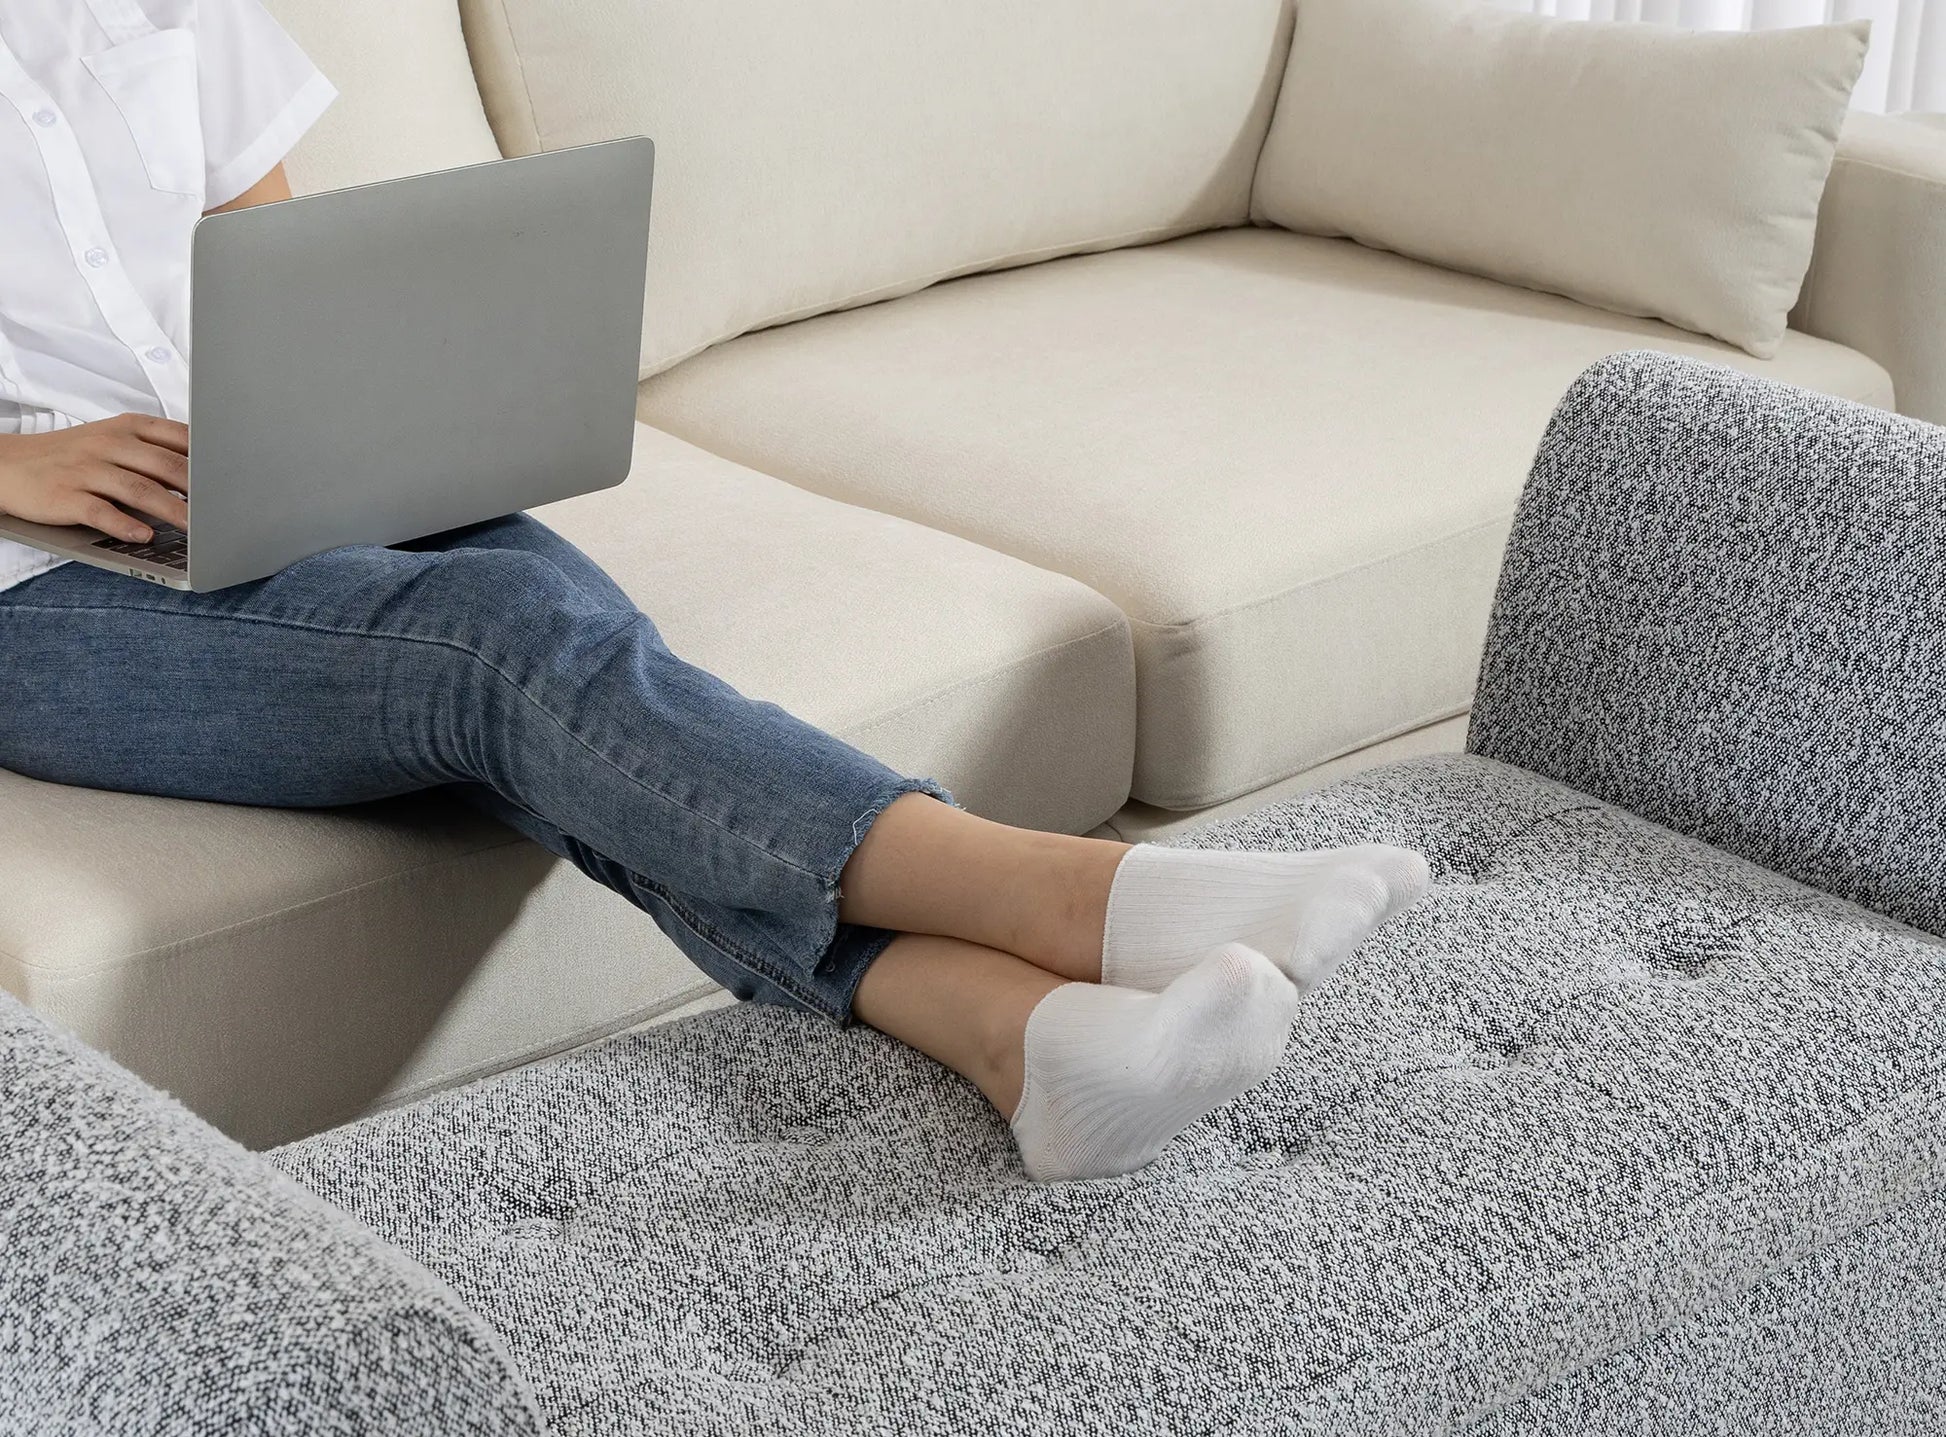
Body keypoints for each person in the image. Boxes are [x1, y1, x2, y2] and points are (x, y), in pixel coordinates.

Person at [0, 0, 1429, 1182]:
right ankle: (1089, 898)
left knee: (582, 685)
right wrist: (19, 466)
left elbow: (286, 286)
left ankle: (1031, 1042)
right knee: (505, 651)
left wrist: (356, 431)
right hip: (38, 588)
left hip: (255, 487)